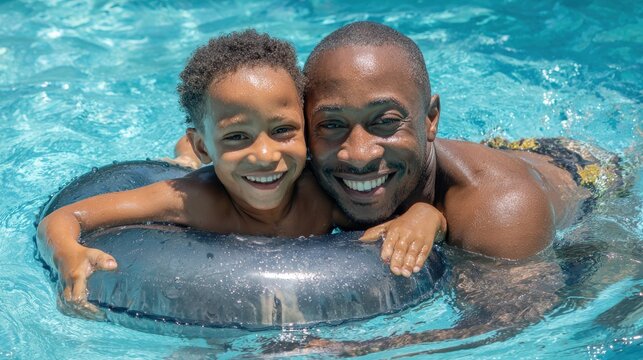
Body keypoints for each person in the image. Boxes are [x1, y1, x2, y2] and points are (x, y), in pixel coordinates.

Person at [36, 29, 446, 314]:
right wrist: (67, 254)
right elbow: (66, 217)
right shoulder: (188, 199)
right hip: (196, 173)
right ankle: (185, 154)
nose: (266, 155)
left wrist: (424, 217)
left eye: (283, 131)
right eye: (238, 137)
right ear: (207, 144)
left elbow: (410, 216)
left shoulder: (319, 197)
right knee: (184, 168)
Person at [176, 22, 620, 260]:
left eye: (384, 121)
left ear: (431, 119)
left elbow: (507, 334)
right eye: (331, 125)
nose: (358, 154)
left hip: (583, 175)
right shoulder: (291, 157)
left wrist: (348, 350)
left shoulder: (501, 210)